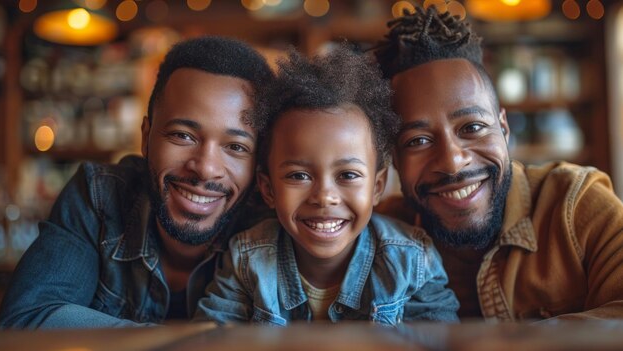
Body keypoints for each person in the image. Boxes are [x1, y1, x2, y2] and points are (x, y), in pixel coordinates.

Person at [0, 36, 274, 328]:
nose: (205, 169)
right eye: (183, 135)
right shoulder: (98, 195)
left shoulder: (271, 224)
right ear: (145, 137)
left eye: (236, 147)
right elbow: (25, 321)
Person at [373, 5, 623, 321]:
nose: (452, 162)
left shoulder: (575, 207)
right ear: (393, 157)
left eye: (472, 127)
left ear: (503, 128)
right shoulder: (377, 239)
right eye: (417, 141)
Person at [194, 46, 459, 326]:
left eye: (347, 175)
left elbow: (440, 341)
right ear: (268, 188)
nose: (324, 197)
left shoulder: (412, 261)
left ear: (377, 186)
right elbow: (211, 338)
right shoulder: (247, 260)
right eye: (299, 176)